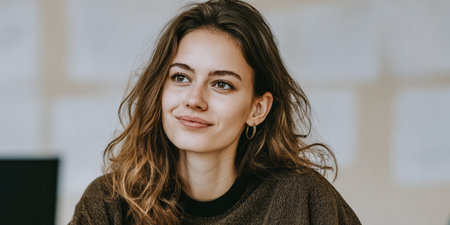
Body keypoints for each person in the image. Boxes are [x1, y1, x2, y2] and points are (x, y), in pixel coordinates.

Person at [69, 0, 361, 224]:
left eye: (222, 84)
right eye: (180, 77)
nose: (194, 99)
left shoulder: (302, 200)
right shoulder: (110, 205)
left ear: (257, 109)